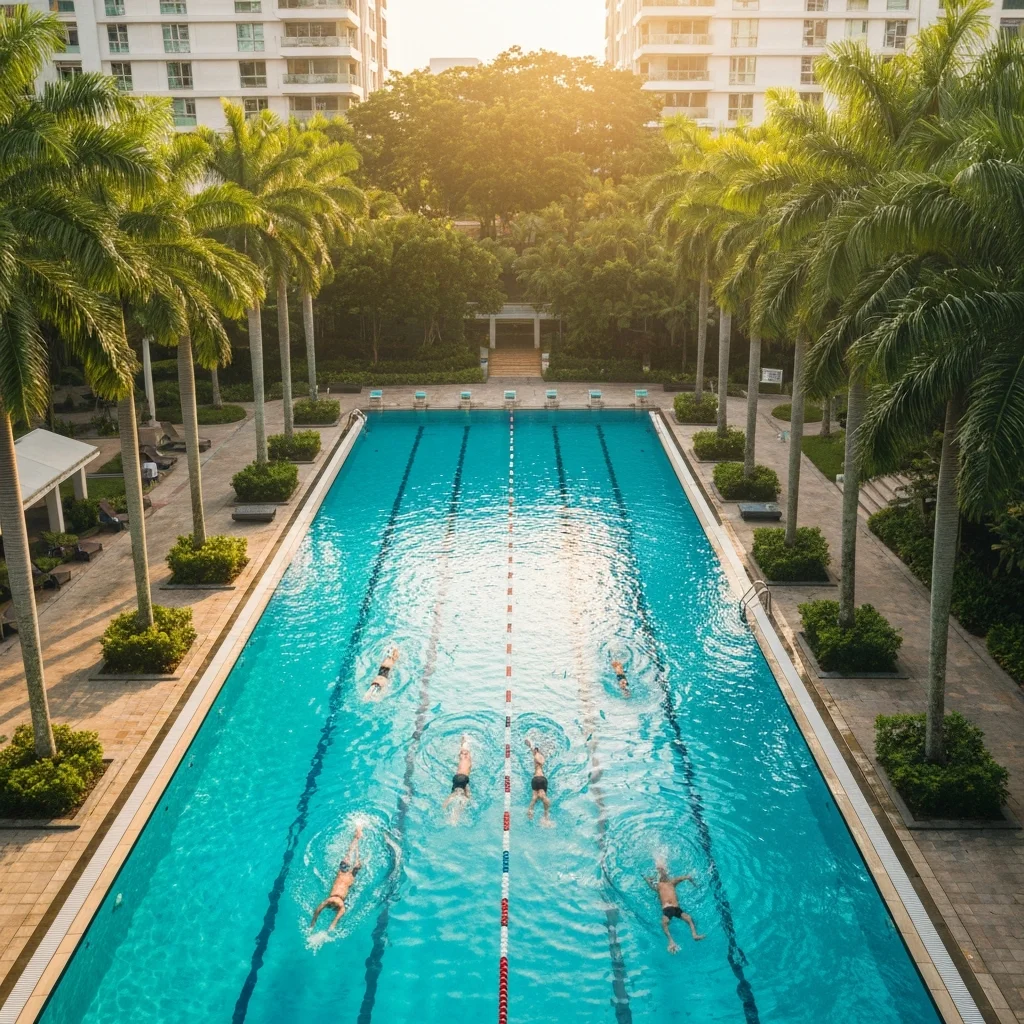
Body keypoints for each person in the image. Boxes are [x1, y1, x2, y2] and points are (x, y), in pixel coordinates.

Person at [311, 826, 363, 933]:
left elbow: (319, 910)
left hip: (344, 874)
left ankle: (356, 837)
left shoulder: (333, 901)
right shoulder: (335, 902)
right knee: (354, 857)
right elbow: (318, 911)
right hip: (348, 875)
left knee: (351, 855)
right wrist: (316, 923)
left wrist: (314, 924)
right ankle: (357, 837)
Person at [645, 859, 705, 953]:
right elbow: (649, 883)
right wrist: (648, 879)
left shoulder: (672, 882)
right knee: (664, 922)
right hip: (667, 908)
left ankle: (694, 935)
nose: (664, 875)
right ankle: (671, 941)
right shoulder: (658, 886)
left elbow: (684, 877)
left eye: (664, 873)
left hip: (677, 908)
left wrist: (692, 881)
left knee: (689, 919)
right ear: (659, 876)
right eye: (661, 874)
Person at [443, 735, 473, 822]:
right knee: (467, 797)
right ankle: (456, 816)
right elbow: (466, 752)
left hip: (457, 777)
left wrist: (463, 740)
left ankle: (445, 804)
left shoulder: (461, 758)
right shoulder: (468, 759)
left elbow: (462, 750)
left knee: (455, 793)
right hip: (464, 778)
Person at [525, 738, 552, 824]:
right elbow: (542, 761)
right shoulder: (538, 756)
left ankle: (530, 810)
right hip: (541, 778)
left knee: (535, 796)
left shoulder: (535, 755)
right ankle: (546, 816)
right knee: (543, 796)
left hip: (534, 779)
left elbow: (532, 749)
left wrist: (529, 744)